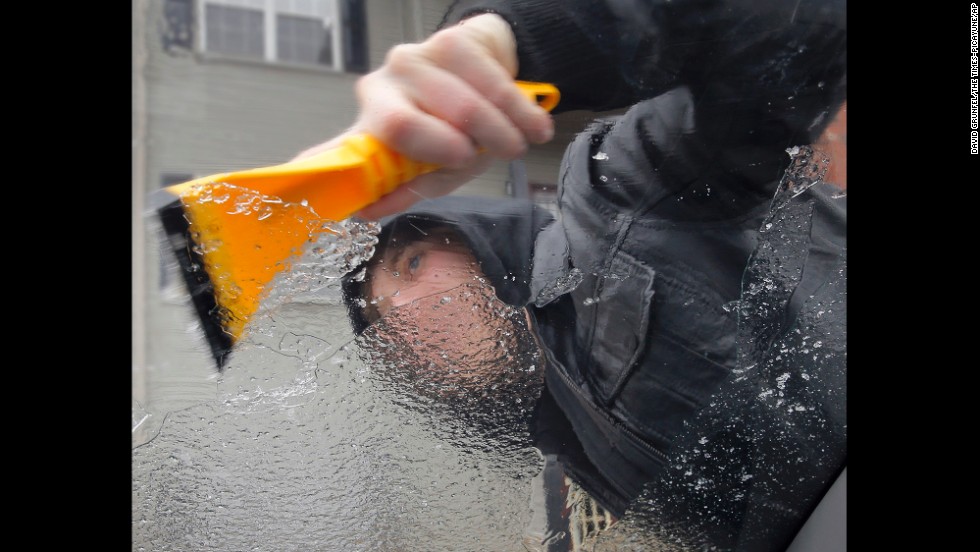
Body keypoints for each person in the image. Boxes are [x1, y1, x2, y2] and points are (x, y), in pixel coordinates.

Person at [297, 1, 847, 549]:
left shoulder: (611, 211)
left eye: (411, 264)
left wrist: (509, 39)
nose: (409, 317)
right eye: (384, 321)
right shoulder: (567, 434)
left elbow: (782, 31)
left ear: (473, 234)